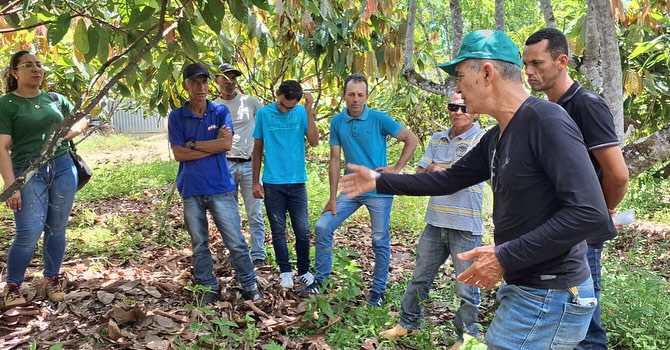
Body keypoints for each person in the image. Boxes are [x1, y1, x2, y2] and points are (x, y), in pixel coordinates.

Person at [340, 30, 610, 349]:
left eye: (460, 76)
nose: (457, 89)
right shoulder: (496, 137)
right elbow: (448, 179)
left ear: (486, 72)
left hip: (551, 294)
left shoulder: (546, 121)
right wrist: (380, 180)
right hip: (526, 287)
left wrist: (504, 256)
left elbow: (590, 212)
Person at [523, 28, 630, 350]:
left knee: (584, 325)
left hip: (579, 232)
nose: (529, 71)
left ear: (562, 61)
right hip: (552, 230)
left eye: (537, 63)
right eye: (525, 63)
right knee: (556, 316)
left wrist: (602, 212)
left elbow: (618, 174)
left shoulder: (585, 105)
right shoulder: (543, 110)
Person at [300, 73, 418, 307]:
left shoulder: (378, 119)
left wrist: (396, 169)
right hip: (351, 188)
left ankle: (378, 291)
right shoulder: (337, 122)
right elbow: (335, 160)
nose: (356, 99)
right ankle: (321, 281)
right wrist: (332, 198)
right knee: (323, 226)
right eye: (351, 94)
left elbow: (410, 139)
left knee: (379, 239)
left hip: (379, 189)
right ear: (344, 96)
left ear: (366, 96)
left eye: (360, 95)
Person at [379, 93, 485, 348]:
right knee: (419, 277)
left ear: (476, 110)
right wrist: (439, 172)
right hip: (435, 222)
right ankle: (408, 324)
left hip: (466, 226)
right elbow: (420, 175)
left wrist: (441, 171)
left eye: (464, 106)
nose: (458, 111)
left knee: (467, 289)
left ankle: (467, 338)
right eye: (453, 106)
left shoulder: (483, 140)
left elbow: (462, 178)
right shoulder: (437, 138)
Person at [167, 63, 262, 304]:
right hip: (191, 188)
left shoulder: (219, 111)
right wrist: (208, 146)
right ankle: (208, 285)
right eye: (196, 82)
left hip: (220, 186)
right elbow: (179, 153)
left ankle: (249, 283)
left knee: (236, 241)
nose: (201, 87)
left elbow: (225, 145)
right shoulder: (177, 116)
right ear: (186, 85)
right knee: (199, 243)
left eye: (205, 82)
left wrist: (192, 144)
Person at [0, 51, 88, 306]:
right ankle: (13, 286)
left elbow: (82, 119)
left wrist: (67, 133)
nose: (36, 69)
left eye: (39, 65)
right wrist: (11, 185)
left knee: (57, 227)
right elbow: (2, 148)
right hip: (26, 171)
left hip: (62, 167)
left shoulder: (55, 99)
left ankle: (52, 279)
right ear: (15, 73)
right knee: (29, 231)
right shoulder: (6, 104)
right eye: (28, 65)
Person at [251, 80, 318, 289]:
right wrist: (255, 181)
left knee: (303, 230)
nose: (285, 109)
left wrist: (308, 111)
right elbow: (257, 149)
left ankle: (304, 270)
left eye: (290, 106)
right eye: (282, 104)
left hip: (297, 181)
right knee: (278, 230)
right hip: (273, 182)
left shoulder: (300, 113)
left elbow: (315, 141)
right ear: (277, 94)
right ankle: (285, 271)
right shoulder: (263, 114)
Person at [213, 63, 266, 267]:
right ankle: (237, 251)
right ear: (216, 81)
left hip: (250, 164)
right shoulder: (214, 107)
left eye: (233, 78)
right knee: (229, 212)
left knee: (255, 210)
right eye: (224, 78)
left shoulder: (250, 102)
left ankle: (258, 253)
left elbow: (265, 124)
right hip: (225, 164)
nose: (229, 82)